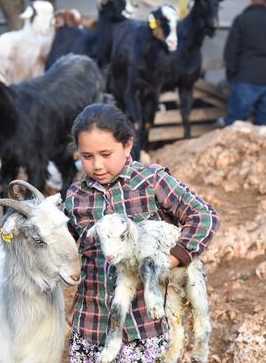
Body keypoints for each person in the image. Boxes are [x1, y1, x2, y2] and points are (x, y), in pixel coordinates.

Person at [64, 103, 220, 362]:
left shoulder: (151, 181)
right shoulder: (76, 197)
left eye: (105, 154)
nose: (97, 165)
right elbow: (63, 242)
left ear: (127, 146)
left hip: (145, 324)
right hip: (92, 323)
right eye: (87, 157)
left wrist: (171, 259)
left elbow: (203, 216)